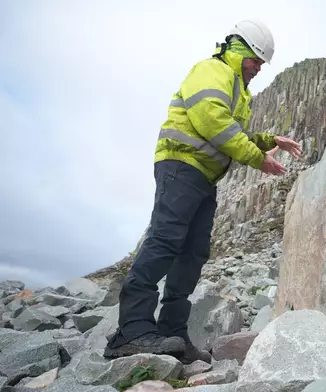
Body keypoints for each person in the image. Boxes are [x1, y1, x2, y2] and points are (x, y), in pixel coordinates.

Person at [103, 19, 302, 364]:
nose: (258, 68)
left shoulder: (237, 88)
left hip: (203, 177)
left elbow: (230, 130)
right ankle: (131, 331)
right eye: (256, 59)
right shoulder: (213, 70)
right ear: (239, 50)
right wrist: (258, 158)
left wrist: (269, 141)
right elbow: (212, 119)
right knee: (165, 240)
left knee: (193, 253)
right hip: (181, 166)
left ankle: (171, 332)